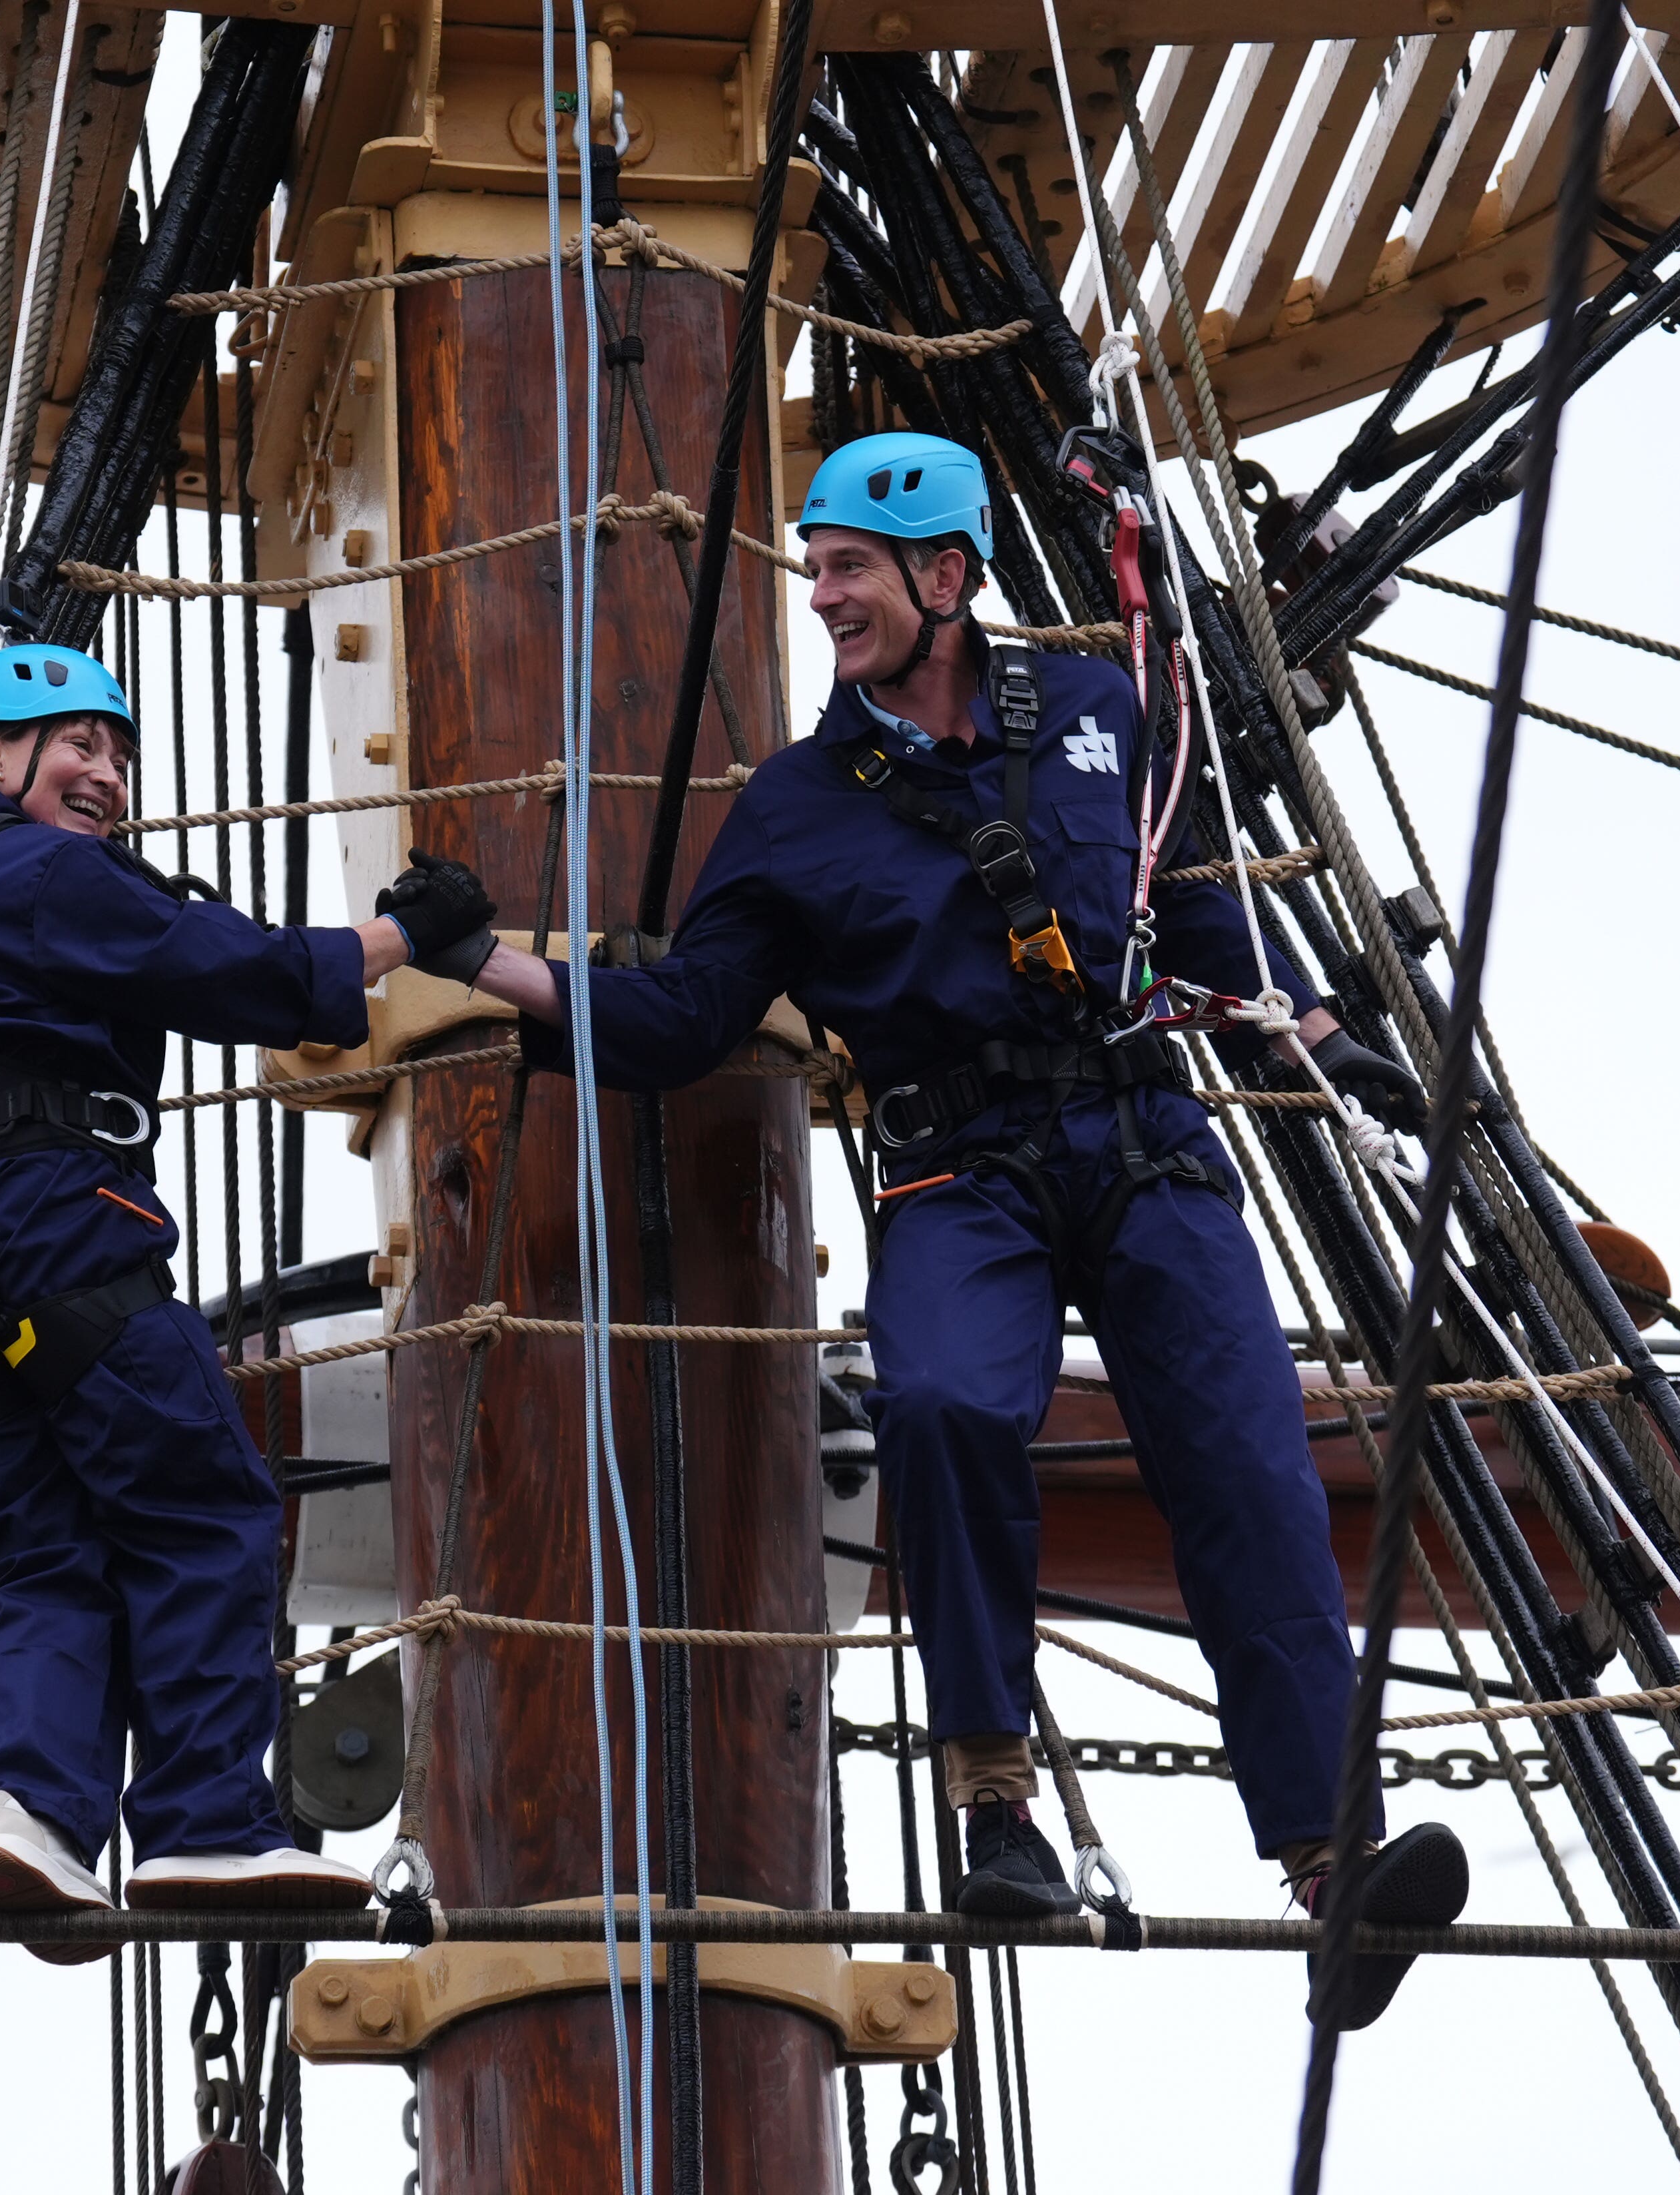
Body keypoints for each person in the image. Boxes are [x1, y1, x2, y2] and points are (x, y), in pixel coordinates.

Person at [467, 433, 1468, 2028]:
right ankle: (994, 1798)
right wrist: (501, 969)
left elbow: (1188, 893)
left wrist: (1328, 1034)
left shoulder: (1091, 712)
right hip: (959, 1163)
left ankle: (1328, 1858)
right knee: (942, 1403)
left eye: (848, 568)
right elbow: (683, 1017)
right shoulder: (796, 807)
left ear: (946, 577)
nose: (824, 597)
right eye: (815, 569)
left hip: (1144, 1133)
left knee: (1249, 1459)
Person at [0, 642, 498, 1959]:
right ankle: (206, 1818)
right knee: (202, 1508)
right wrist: (400, 936)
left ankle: (28, 1813)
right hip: (49, 1233)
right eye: (76, 744)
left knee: (42, 1562)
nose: (107, 773)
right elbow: (213, 964)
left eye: (117, 751)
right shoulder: (34, 872)